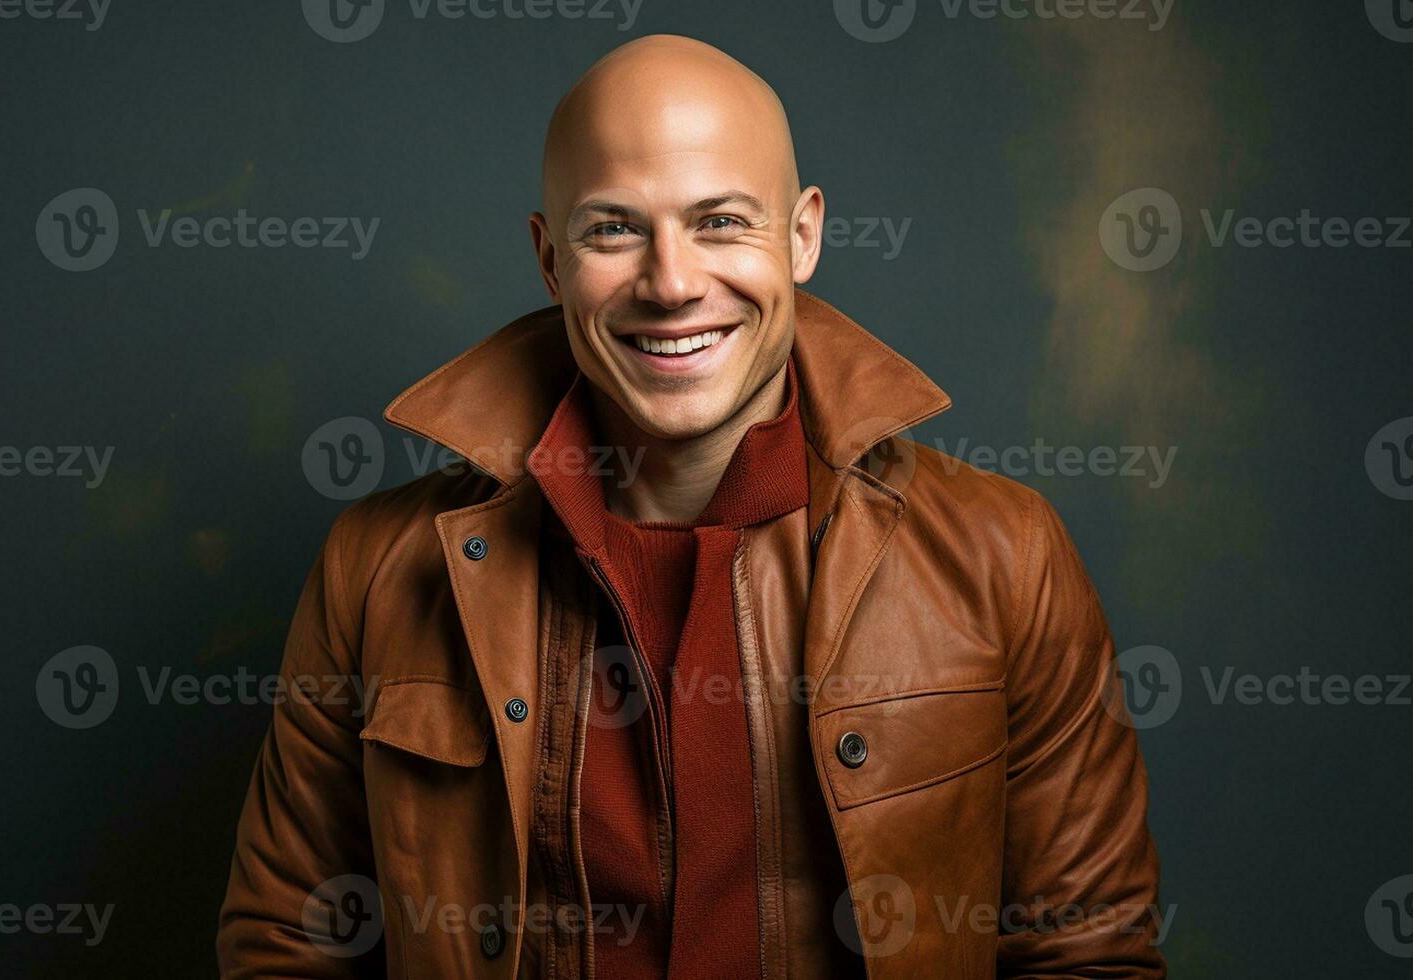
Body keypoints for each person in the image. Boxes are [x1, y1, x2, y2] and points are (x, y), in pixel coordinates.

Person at [218, 33, 1165, 979]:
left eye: (720, 222)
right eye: (613, 229)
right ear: (551, 261)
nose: (672, 284)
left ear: (802, 236)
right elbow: (288, 947)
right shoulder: (378, 567)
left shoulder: (1004, 557)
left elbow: (1088, 956)